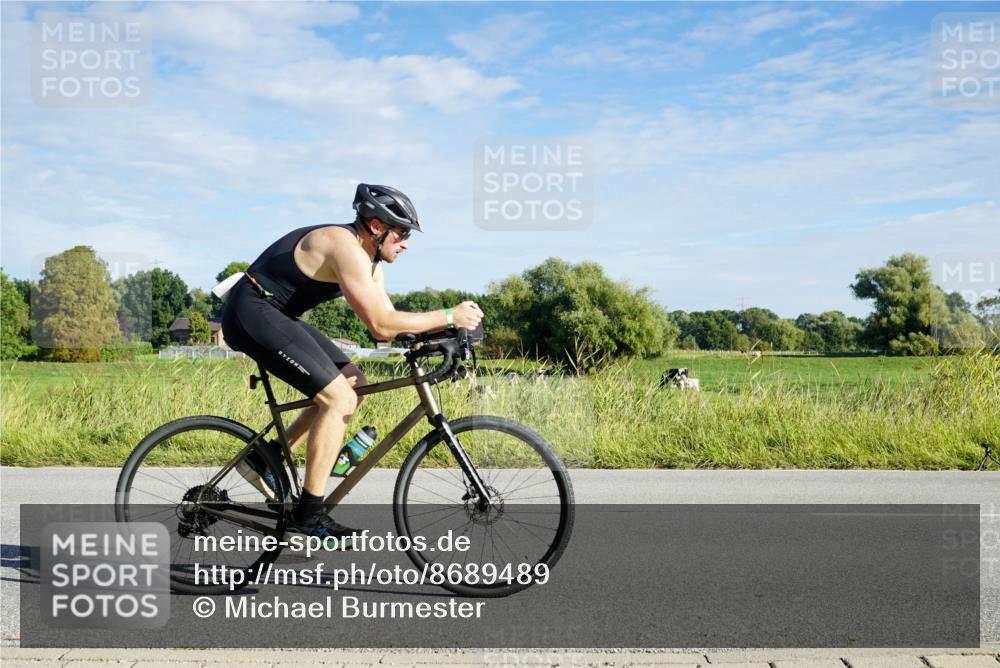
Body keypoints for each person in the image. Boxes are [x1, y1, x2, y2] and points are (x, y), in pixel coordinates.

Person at [220, 183, 483, 543]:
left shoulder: (372, 264)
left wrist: (441, 337)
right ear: (376, 226)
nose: (406, 243)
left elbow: (389, 325)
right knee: (338, 399)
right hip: (251, 311)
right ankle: (308, 518)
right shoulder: (344, 247)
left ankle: (269, 459)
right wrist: (451, 315)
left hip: (276, 314)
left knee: (354, 384)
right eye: (402, 233)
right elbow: (381, 325)